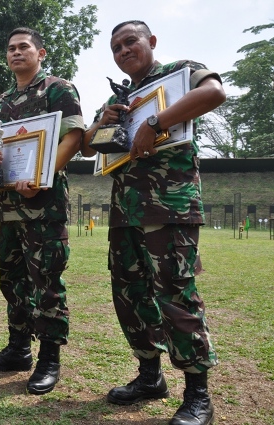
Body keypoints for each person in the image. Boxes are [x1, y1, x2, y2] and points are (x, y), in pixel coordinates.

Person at [81, 21, 225, 425]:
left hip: (170, 207)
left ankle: (198, 394)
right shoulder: (119, 96)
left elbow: (214, 91)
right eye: (116, 48)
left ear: (151, 42)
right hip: (125, 211)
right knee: (130, 295)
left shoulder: (178, 73)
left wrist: (154, 122)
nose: (124, 51)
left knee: (176, 296)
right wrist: (104, 120)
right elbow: (89, 143)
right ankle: (149, 376)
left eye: (131, 42)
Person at [0, 27, 84, 395]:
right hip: (10, 205)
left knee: (47, 282)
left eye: (24, 47)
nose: (16, 53)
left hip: (45, 204)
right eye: (10, 49)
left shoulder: (58, 89)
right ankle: (19, 348)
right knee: (13, 279)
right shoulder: (2, 102)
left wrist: (43, 174)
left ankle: (49, 359)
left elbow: (75, 137)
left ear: (41, 52)